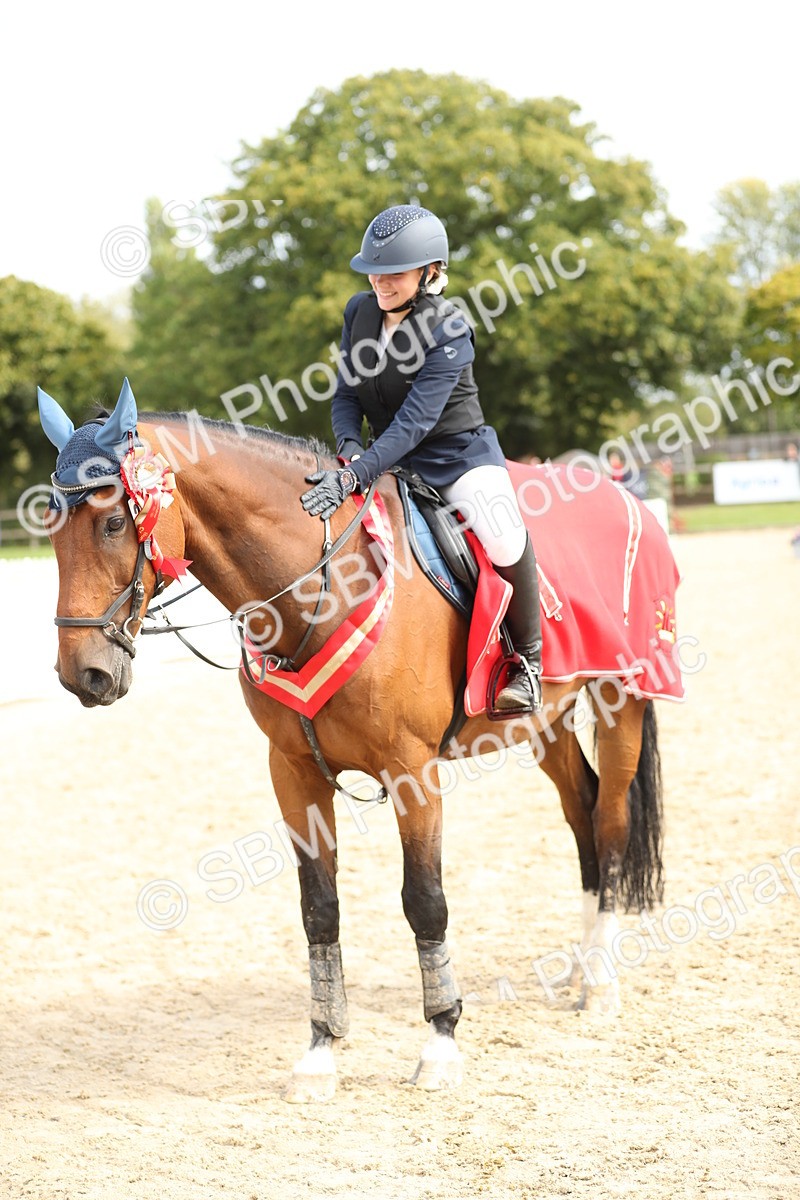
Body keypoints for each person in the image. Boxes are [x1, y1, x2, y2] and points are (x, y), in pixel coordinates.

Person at [300, 204, 542, 714]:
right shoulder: (359, 313)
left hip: (457, 458)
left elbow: (415, 422)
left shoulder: (450, 329)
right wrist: (348, 453)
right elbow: (345, 396)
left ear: (430, 272)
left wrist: (355, 476)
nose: (379, 281)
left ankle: (528, 663)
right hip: (387, 461)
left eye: (394, 272)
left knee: (503, 535)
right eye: (374, 270)